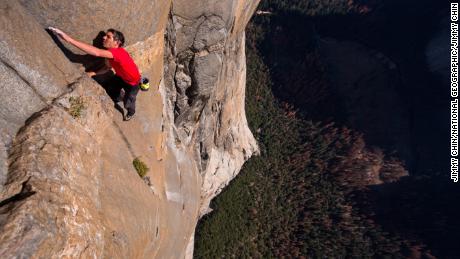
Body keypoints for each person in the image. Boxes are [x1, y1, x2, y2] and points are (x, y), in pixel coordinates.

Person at [49, 27, 141, 121]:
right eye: (105, 35)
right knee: (111, 89)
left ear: (117, 43)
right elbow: (107, 67)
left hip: (133, 83)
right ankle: (121, 96)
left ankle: (131, 112)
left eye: (108, 37)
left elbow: (96, 52)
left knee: (128, 101)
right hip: (121, 76)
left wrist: (69, 39)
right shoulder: (110, 54)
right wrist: (92, 73)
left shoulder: (118, 53)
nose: (104, 38)